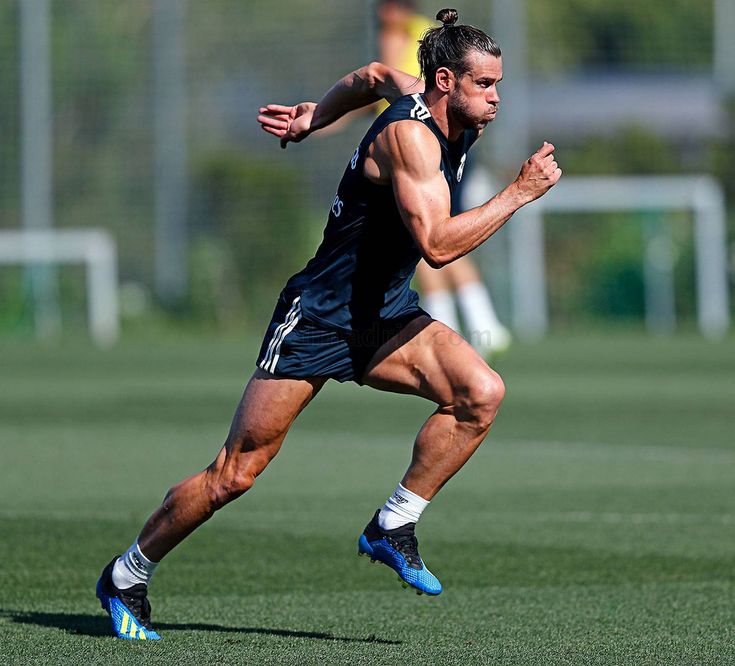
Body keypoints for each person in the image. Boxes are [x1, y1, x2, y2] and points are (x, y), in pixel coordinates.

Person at [95, 8, 561, 640]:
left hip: (380, 317)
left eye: (500, 84)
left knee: (481, 393)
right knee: (235, 473)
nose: (497, 97)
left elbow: (372, 75)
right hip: (318, 317)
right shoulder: (412, 137)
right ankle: (126, 575)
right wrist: (519, 193)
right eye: (487, 85)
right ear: (447, 81)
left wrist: (317, 115)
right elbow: (438, 245)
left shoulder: (432, 101)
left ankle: (393, 525)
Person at [376, 0, 512, 357]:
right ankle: (451, 326)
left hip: (427, 147)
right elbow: (372, 84)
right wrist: (326, 116)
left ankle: (484, 326)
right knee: (422, 241)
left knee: (438, 236)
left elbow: (417, 91)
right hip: (404, 151)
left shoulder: (425, 38)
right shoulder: (393, 39)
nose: (382, 13)